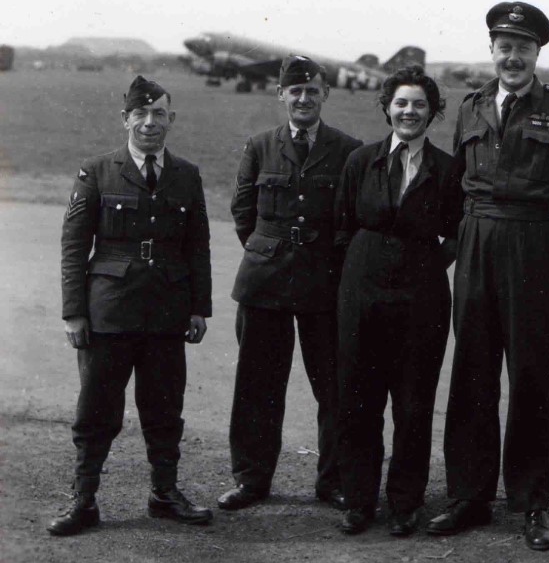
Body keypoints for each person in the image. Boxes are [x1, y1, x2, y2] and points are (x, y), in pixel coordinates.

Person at [427, 1, 549, 550]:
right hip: (476, 240)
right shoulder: (472, 107)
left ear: (537, 53)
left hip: (531, 242)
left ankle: (531, 502)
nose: (513, 56)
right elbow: (455, 183)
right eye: (505, 46)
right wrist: (459, 237)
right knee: (472, 368)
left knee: (530, 374)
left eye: (524, 47)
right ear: (492, 50)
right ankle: (468, 495)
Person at [52, 75, 213, 535]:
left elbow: (197, 246)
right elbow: (74, 246)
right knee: (97, 410)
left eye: (158, 113)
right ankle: (84, 499)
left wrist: (198, 307)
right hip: (110, 310)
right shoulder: (97, 171)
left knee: (164, 408)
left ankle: (164, 493)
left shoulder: (187, 174)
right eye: (140, 114)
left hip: (167, 310)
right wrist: (74, 312)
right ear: (125, 118)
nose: (149, 122)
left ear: (171, 119)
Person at [218, 55, 362, 512]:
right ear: (281, 94)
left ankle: (334, 481)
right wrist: (269, 250)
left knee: (334, 386)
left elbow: (352, 218)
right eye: (295, 91)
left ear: (325, 94)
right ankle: (251, 478)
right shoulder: (260, 145)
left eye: (312, 90)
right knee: (257, 384)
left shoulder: (349, 149)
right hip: (266, 280)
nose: (303, 98)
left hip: (325, 282)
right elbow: (243, 213)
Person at [331, 65, 462, 536]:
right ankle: (358, 500)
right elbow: (341, 226)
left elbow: (456, 234)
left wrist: (422, 267)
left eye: (420, 105)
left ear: (433, 112)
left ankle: (406, 502)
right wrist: (361, 272)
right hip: (361, 295)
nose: (410, 112)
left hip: (421, 300)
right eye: (401, 103)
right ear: (387, 108)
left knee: (413, 403)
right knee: (357, 400)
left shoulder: (447, 169)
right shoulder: (360, 161)